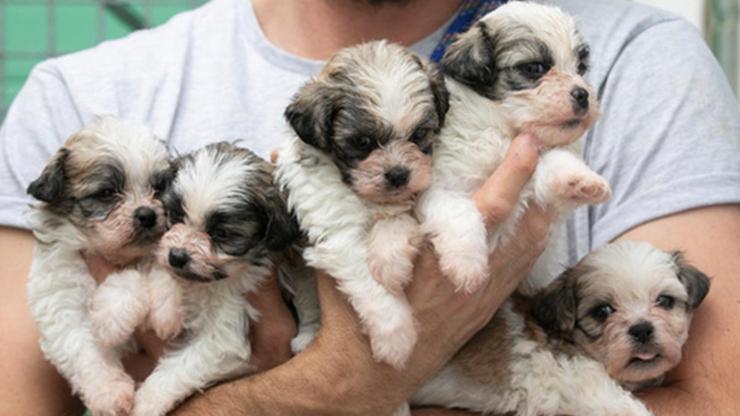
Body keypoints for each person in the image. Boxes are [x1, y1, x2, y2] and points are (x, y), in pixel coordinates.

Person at [1, 0, 739, 415]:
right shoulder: (75, 96)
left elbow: (712, 402)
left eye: (419, 140)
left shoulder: (640, 59)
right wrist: (345, 380)